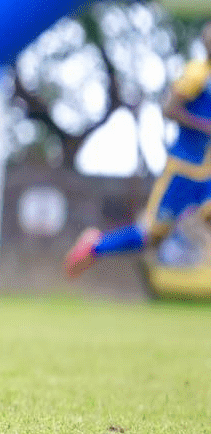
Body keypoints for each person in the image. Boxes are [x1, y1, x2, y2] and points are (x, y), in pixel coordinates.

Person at [65, 22, 211, 277]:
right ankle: (95, 246)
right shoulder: (197, 74)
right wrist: (204, 125)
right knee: (152, 233)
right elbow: (169, 109)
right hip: (184, 169)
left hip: (207, 171)